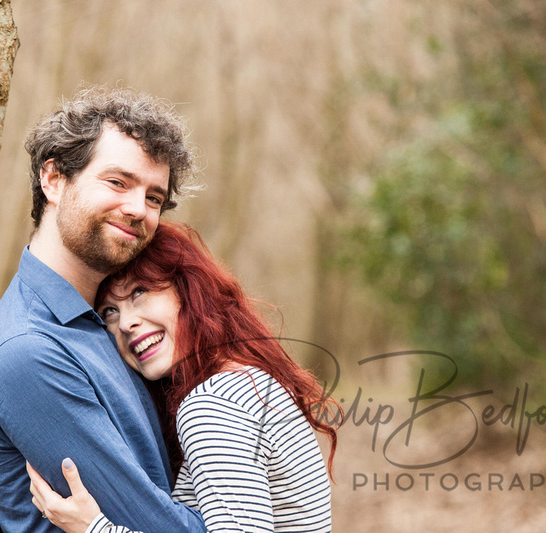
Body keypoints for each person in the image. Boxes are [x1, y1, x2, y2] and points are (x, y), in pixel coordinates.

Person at [0, 86, 206, 532]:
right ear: (53, 179)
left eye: (154, 197)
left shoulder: (114, 326)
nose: (138, 209)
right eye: (118, 182)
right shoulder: (28, 352)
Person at [27, 222, 340, 533]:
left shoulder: (212, 404)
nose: (126, 323)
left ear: (188, 292)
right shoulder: (246, 379)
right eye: (109, 311)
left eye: (139, 292)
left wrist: (93, 528)